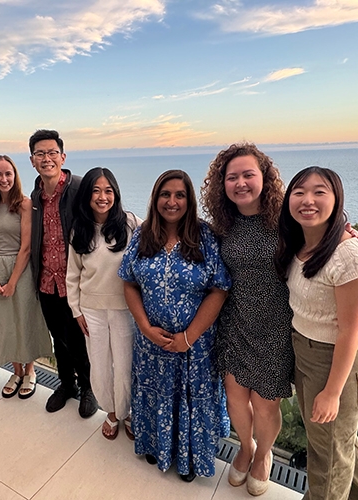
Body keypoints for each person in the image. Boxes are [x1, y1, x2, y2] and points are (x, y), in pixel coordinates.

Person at [275, 167, 358, 500]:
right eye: (299, 192)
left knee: (328, 461)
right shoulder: (301, 243)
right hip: (306, 356)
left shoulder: (351, 255)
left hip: (338, 367)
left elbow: (351, 332)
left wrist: (332, 392)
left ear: (337, 200)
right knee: (336, 443)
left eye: (319, 192)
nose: (308, 200)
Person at [119, 169, 231, 482]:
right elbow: (128, 282)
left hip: (194, 349)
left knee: (191, 400)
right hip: (151, 347)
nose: (172, 201)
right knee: (155, 395)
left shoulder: (204, 236)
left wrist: (188, 337)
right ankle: (157, 445)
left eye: (179, 195)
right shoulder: (143, 236)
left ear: (189, 200)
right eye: (165, 195)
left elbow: (219, 288)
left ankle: (190, 458)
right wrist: (143, 326)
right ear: (155, 199)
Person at [200, 143, 293, 495]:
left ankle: (264, 454)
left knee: (266, 402)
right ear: (221, 184)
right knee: (235, 397)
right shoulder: (224, 224)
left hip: (276, 326)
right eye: (232, 177)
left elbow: (323, 231)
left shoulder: (287, 219)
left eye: (248, 174)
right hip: (235, 321)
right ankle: (245, 446)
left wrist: (347, 231)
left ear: (265, 178)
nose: (240, 183)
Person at [66, 167, 141, 440]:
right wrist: (76, 310)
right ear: (87, 195)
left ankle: (128, 411)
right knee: (99, 365)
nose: (102, 196)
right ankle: (111, 411)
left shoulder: (131, 223)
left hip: (125, 308)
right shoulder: (80, 230)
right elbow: (72, 275)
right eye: (96, 191)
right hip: (91, 310)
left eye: (108, 190)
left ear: (116, 194)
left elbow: (160, 234)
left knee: (125, 364)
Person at [28, 129, 96, 417]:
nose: (47, 158)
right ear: (32, 160)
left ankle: (89, 388)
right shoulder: (35, 195)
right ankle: (66, 384)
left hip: (75, 283)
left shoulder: (80, 188)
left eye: (52, 153)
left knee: (80, 340)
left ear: (62, 156)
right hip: (46, 280)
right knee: (59, 338)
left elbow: (106, 217)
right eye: (40, 154)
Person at [0, 155, 52, 399]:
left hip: (20, 269)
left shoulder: (24, 203)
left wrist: (12, 281)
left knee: (24, 318)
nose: (4, 179)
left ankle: (30, 371)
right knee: (5, 322)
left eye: (8, 173)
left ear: (15, 175)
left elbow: (26, 246)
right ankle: (16, 370)